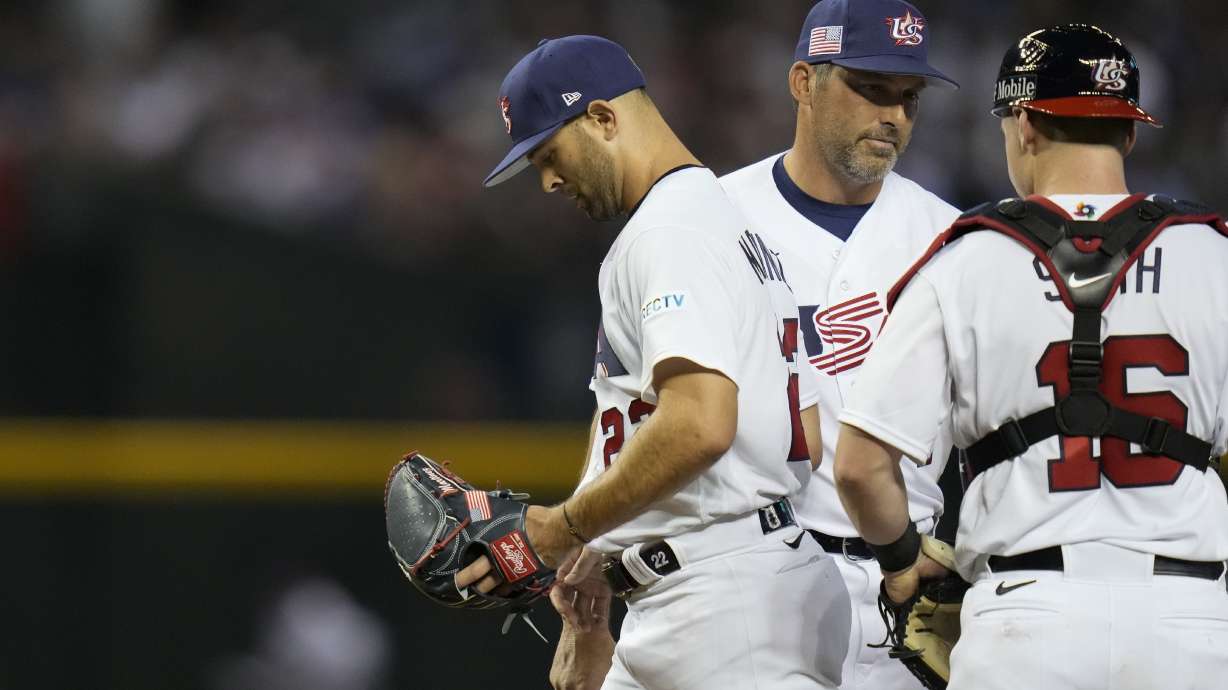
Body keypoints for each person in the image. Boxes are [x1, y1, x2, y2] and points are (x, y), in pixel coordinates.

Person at [832, 24, 1228, 690]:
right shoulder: (1215, 256)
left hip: (1027, 623)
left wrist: (904, 560)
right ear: (1128, 132)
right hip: (1190, 627)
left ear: (1023, 124)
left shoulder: (963, 262)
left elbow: (860, 467)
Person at [461, 35, 851, 690]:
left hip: (725, 611)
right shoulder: (731, 223)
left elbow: (699, 426)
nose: (549, 180)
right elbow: (800, 436)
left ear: (604, 118)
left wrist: (564, 528)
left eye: (549, 154)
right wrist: (597, 562)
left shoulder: (669, 234)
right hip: (724, 587)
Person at [717, 1, 959, 688]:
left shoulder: (952, 239)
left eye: (907, 98)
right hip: (756, 581)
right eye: (870, 90)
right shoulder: (717, 220)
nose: (893, 116)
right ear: (802, 82)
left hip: (908, 595)